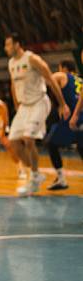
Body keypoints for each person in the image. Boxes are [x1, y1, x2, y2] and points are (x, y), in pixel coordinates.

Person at [5, 33, 69, 196]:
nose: (6, 48)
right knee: (13, 143)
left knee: (28, 139)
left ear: (18, 45)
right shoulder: (11, 63)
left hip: (40, 102)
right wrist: (17, 105)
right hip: (24, 106)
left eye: (9, 45)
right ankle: (36, 173)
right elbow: (13, 85)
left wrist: (62, 104)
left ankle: (33, 177)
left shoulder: (33, 59)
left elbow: (50, 79)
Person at [45, 60, 83, 190]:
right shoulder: (80, 80)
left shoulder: (63, 76)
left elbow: (50, 79)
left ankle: (61, 179)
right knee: (81, 147)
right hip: (81, 116)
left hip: (71, 117)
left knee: (51, 143)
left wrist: (60, 103)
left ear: (64, 68)